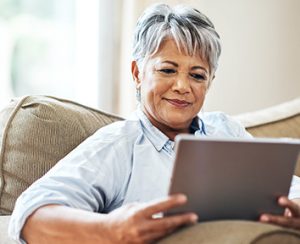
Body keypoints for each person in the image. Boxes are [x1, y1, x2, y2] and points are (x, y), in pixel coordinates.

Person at [8, 3, 300, 244]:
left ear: (210, 82)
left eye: (197, 75)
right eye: (167, 70)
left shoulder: (226, 130)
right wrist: (111, 229)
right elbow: (30, 214)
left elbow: (290, 190)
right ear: (137, 73)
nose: (182, 86)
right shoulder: (119, 145)